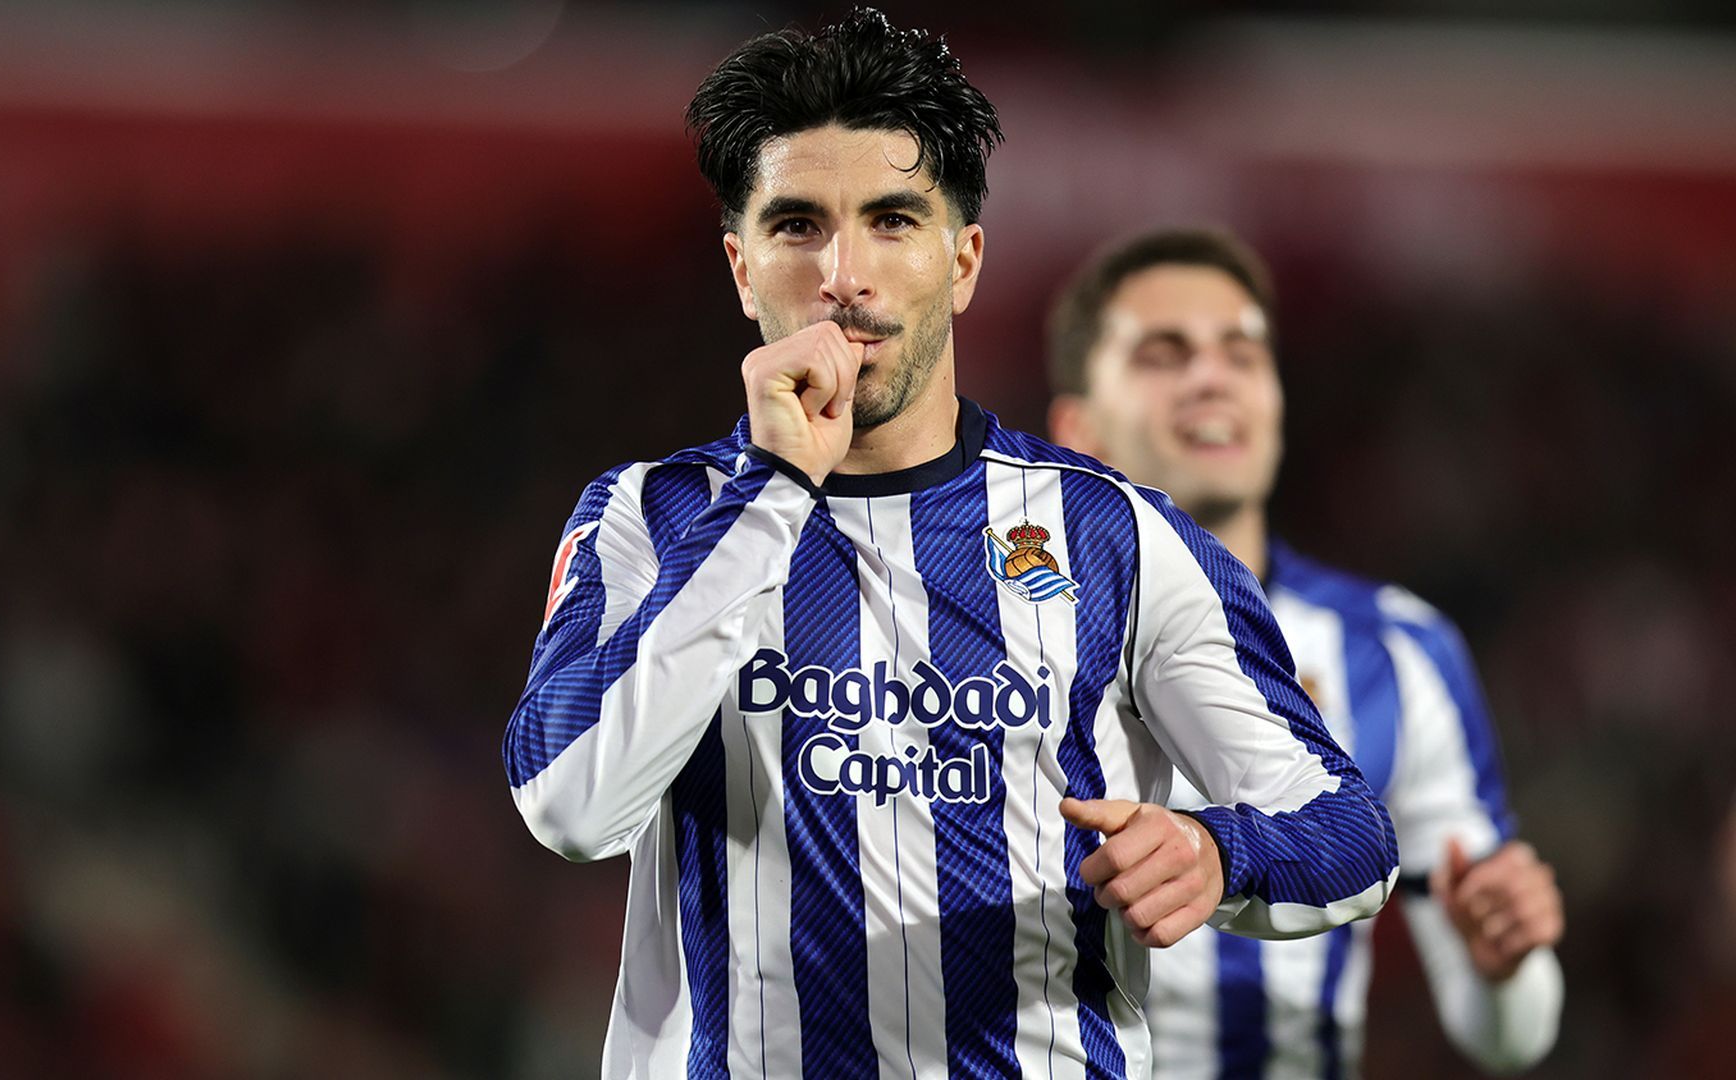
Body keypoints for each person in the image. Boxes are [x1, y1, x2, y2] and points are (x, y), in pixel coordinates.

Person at [503, 12, 1397, 1078]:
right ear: (743, 271)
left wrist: (1218, 850)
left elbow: (1349, 836)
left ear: (962, 260)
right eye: (797, 226)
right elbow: (570, 804)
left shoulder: (1117, 538)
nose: (845, 273)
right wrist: (777, 489)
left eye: (892, 220)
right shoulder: (649, 519)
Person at [1045, 227, 1565, 1078]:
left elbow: (1508, 1035)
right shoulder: (995, 638)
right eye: (1163, 354)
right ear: (1077, 429)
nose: (1212, 376)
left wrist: (1503, 958)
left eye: (1241, 353)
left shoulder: (1398, 651)